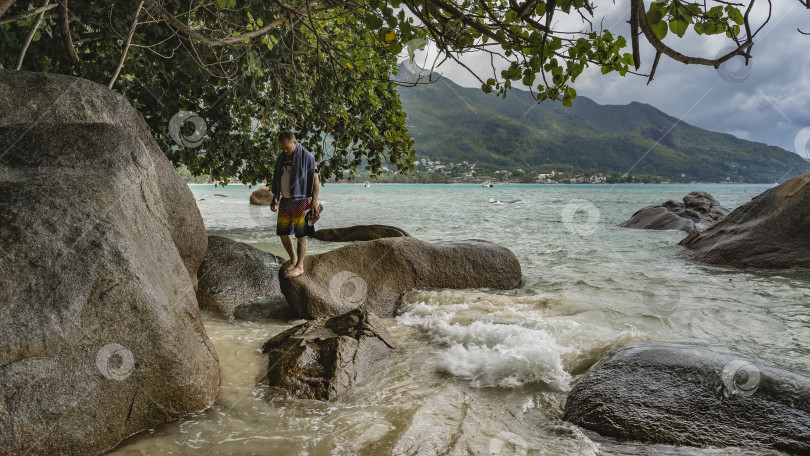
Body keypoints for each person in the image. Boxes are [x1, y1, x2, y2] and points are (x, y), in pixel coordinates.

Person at [270, 131, 320, 278]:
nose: (285, 151)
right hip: (285, 200)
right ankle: (293, 259)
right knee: (283, 233)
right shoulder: (281, 158)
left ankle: (300, 266)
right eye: (282, 148)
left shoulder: (309, 157)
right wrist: (275, 196)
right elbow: (278, 178)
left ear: (295, 143)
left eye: (287, 148)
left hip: (302, 200)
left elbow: (316, 181)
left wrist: (314, 201)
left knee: (301, 235)